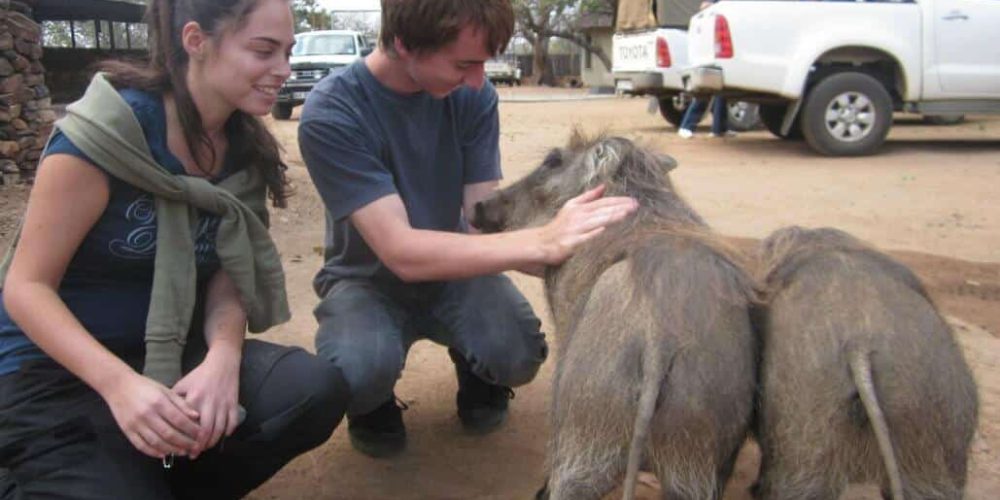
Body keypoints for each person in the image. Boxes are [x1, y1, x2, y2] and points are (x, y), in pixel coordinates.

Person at [0, 0, 348, 498]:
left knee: (312, 391)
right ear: (195, 41)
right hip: (57, 373)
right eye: (263, 50)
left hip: (169, 353)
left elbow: (230, 271)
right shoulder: (107, 135)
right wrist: (121, 386)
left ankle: (153, 476)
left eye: (287, 53)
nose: (283, 71)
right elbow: (26, 287)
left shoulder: (243, 149)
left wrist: (223, 359)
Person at [298, 0, 637, 459]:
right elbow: (400, 251)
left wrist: (588, 252)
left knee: (517, 352)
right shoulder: (332, 111)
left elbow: (483, 219)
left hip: (457, 269)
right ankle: (372, 404)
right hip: (366, 280)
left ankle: (478, 370)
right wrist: (544, 239)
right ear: (404, 44)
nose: (479, 81)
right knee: (356, 372)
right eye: (465, 64)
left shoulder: (473, 96)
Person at [677, 0, 734, 139]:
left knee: (721, 90)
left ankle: (719, 128)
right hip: (709, 54)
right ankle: (686, 126)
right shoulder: (708, 15)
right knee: (705, 92)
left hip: (716, 53)